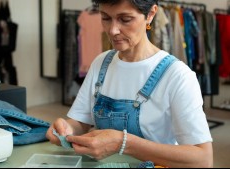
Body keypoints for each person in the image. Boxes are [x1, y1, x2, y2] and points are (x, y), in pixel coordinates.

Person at [46, 0, 213, 168]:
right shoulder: (101, 63)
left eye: (125, 19)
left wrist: (123, 143)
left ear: (150, 14)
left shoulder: (177, 76)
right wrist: (67, 129)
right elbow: (81, 122)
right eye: (105, 18)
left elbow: (203, 160)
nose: (112, 30)